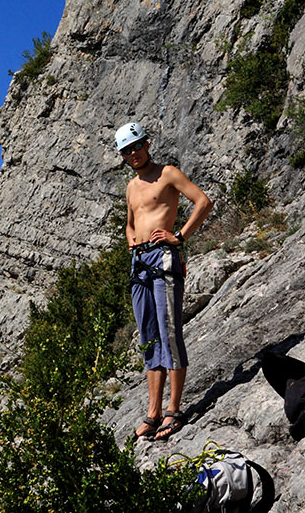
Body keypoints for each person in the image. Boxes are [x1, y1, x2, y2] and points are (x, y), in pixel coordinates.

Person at [116, 122, 212, 442]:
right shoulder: (131, 187)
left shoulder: (168, 173)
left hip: (163, 256)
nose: (133, 154)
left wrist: (179, 236)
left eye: (136, 147)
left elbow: (203, 202)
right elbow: (130, 223)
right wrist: (131, 239)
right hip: (139, 262)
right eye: (126, 151)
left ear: (146, 144)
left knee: (170, 333)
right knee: (149, 339)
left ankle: (173, 410)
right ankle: (153, 412)